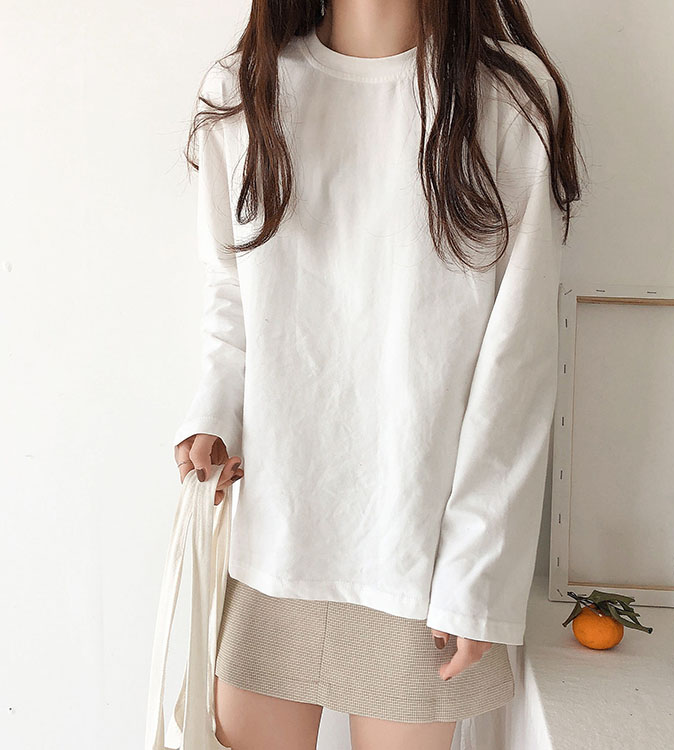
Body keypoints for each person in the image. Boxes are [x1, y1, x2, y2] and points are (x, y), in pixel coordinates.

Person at [172, 1, 583, 747]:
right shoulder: (244, 89)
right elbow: (232, 289)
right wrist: (215, 412)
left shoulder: (505, 99)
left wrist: (475, 574)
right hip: (276, 538)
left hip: (420, 557)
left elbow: (517, 364)